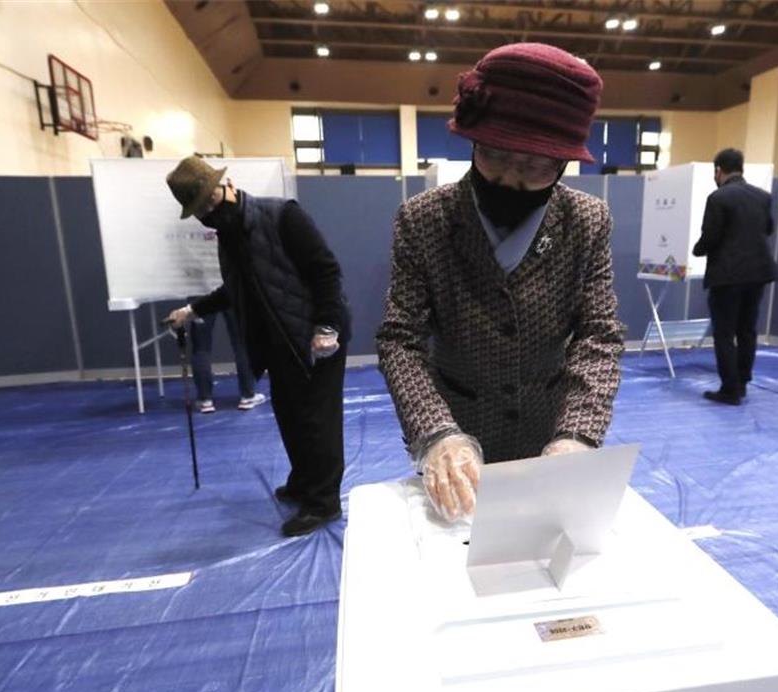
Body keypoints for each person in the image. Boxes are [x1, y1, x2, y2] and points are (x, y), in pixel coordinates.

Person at [376, 42, 624, 523]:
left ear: (563, 163)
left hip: (548, 425)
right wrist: (436, 433)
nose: (510, 179)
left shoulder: (586, 221)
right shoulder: (424, 219)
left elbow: (599, 334)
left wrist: (577, 434)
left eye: (534, 166)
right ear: (473, 143)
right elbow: (399, 338)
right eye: (494, 156)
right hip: (457, 431)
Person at [163, 157, 351, 537]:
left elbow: (326, 271)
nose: (209, 211)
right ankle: (303, 482)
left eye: (211, 199)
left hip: (316, 339)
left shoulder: (282, 216)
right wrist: (192, 309)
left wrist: (327, 327)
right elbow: (236, 289)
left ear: (227, 184)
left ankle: (323, 502)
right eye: (200, 209)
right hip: (276, 344)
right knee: (290, 417)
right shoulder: (228, 237)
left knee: (318, 422)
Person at [692, 148, 778, 406]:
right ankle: (741, 383)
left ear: (718, 170)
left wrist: (697, 250)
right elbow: (768, 228)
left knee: (724, 333)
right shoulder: (762, 197)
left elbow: (711, 236)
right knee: (748, 330)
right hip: (758, 274)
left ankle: (729, 389)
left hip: (728, 276)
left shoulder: (718, 198)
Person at [185, 301, 265, 414]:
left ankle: (205, 400)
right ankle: (247, 396)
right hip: (230, 292)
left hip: (201, 295)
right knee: (242, 344)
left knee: (201, 347)